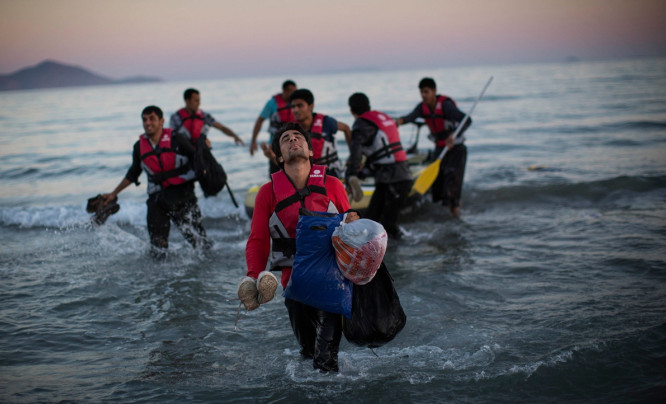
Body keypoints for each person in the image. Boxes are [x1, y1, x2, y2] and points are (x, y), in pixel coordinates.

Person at [241, 122, 358, 372]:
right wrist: (253, 277)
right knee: (307, 355)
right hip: (295, 287)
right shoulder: (267, 193)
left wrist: (355, 221)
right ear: (280, 156)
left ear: (311, 151)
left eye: (298, 137)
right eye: (286, 139)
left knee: (325, 363)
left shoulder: (334, 185)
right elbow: (258, 240)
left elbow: (351, 234)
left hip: (333, 285)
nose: (293, 139)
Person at [101, 106, 210, 258]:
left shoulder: (176, 139)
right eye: (144, 119)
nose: (147, 123)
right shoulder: (139, 147)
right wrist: (113, 194)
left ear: (162, 121)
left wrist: (203, 149)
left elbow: (196, 158)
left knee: (199, 242)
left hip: (182, 196)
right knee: (158, 248)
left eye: (152, 118)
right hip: (157, 200)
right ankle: (162, 280)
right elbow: (133, 173)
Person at [395, 77, 472, 217]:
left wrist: (454, 135)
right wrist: (398, 121)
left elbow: (467, 120)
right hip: (440, 148)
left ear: (434, 91)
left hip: (456, 148)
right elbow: (410, 117)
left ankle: (456, 213)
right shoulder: (422, 107)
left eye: (426, 92)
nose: (424, 95)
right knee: (438, 183)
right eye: (421, 92)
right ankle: (443, 213)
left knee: (452, 181)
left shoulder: (446, 106)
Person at [347, 93, 412, 239]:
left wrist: (352, 174)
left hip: (394, 179)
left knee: (387, 225)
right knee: (372, 220)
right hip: (397, 175)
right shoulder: (381, 117)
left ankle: (397, 254)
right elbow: (379, 151)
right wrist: (363, 172)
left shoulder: (361, 124)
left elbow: (356, 150)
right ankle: (378, 253)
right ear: (368, 105)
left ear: (352, 110)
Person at [289, 88, 351, 178]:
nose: (295, 110)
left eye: (300, 106)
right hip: (306, 175)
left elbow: (346, 128)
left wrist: (353, 157)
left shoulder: (326, 122)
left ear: (311, 106)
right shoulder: (292, 129)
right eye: (293, 107)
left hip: (330, 172)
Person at [249, 80, 298, 176]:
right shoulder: (272, 103)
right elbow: (260, 121)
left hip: (293, 146)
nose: (295, 94)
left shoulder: (296, 104)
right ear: (285, 90)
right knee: (276, 175)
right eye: (293, 91)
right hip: (276, 147)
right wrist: (253, 141)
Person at [170, 88, 244, 148]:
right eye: (196, 101)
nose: (199, 103)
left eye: (199, 100)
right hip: (184, 151)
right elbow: (172, 137)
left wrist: (235, 136)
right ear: (187, 101)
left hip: (202, 151)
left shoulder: (204, 116)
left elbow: (222, 128)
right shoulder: (176, 117)